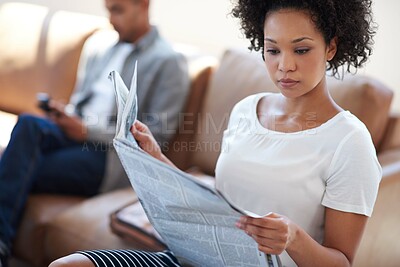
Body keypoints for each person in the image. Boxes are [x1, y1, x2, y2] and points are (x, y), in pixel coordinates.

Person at [48, 0, 382, 266]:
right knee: (69, 265)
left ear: (331, 48)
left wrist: (293, 238)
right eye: (273, 50)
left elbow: (341, 261)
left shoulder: (349, 141)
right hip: (188, 259)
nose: (284, 66)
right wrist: (156, 159)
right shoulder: (246, 110)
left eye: (301, 49)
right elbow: (219, 205)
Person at [0, 0, 190, 265]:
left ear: (143, 5)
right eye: (108, 9)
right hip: (73, 133)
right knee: (29, 123)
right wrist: (64, 114)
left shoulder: (169, 61)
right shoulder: (99, 47)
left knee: (16, 165)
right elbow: (80, 102)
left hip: (107, 155)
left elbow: (156, 135)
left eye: (118, 10)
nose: (110, 18)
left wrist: (88, 131)